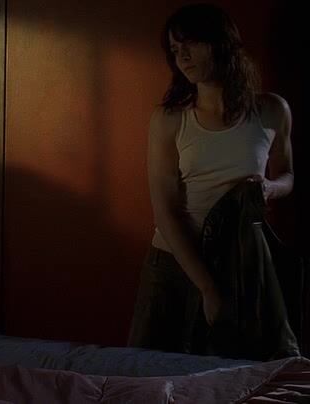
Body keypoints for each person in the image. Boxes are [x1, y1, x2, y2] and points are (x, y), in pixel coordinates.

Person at [128, 4, 296, 358]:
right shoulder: (170, 120)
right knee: (149, 371)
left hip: (240, 264)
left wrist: (270, 187)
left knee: (237, 373)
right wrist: (207, 287)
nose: (182, 56)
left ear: (220, 43)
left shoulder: (272, 110)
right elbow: (166, 213)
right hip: (174, 263)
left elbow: (288, 175)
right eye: (175, 49)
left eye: (190, 43)